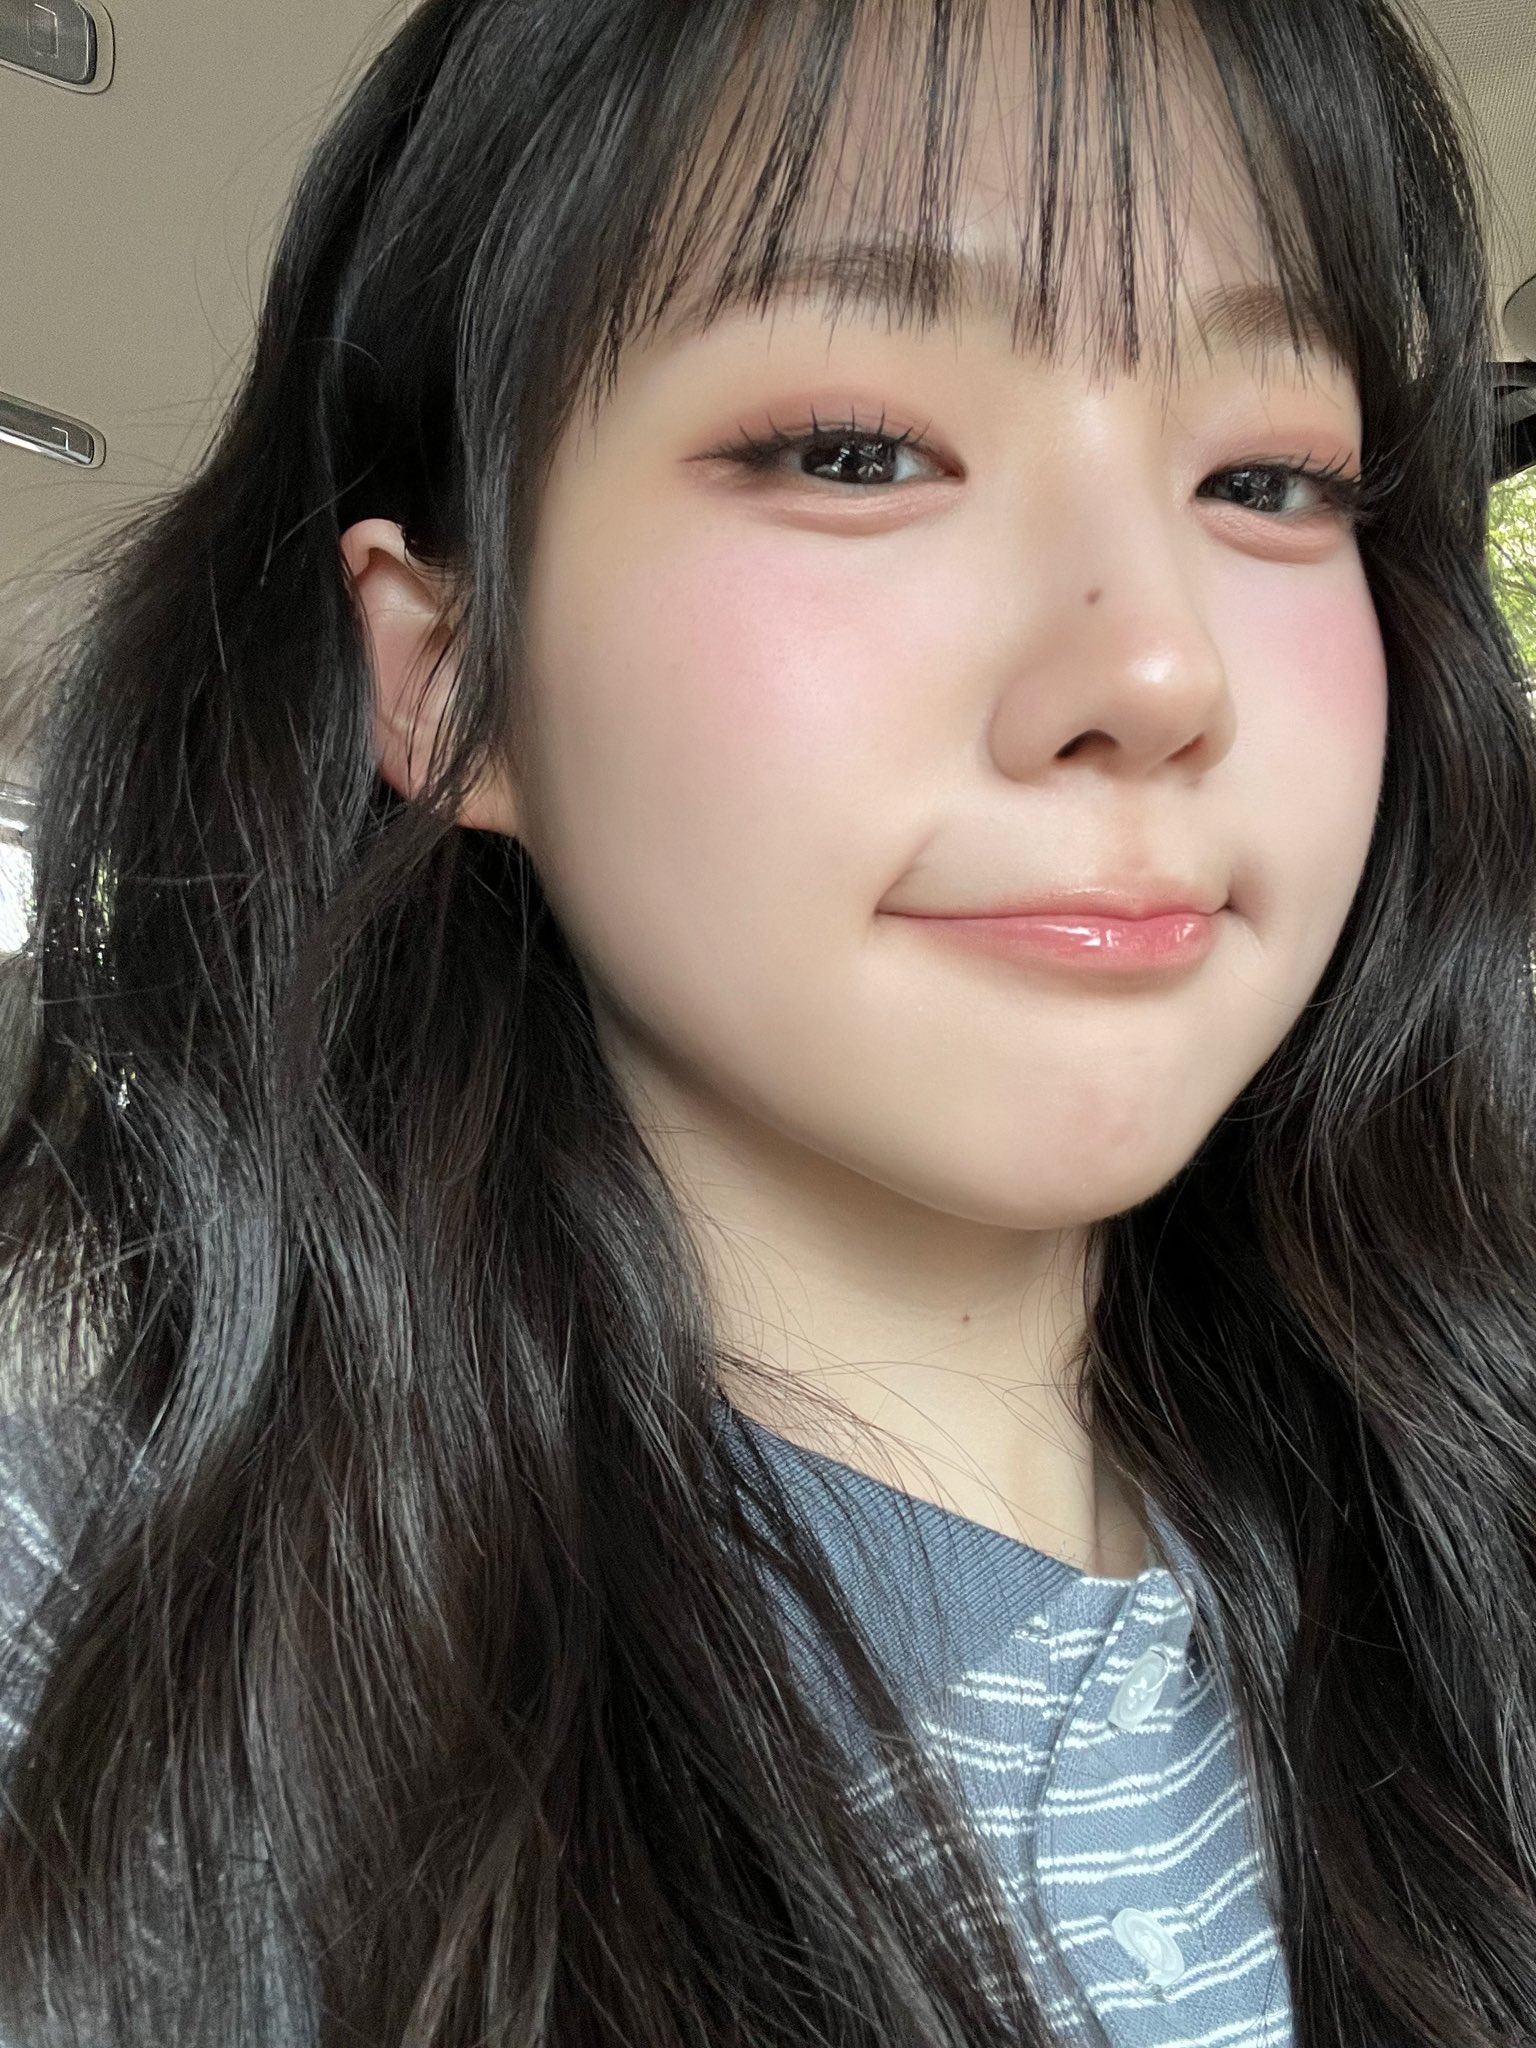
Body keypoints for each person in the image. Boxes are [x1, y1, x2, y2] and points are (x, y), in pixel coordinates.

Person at [0, 0, 1533, 2040]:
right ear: (447, 676)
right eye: (855, 451)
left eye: (1270, 477)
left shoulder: (1472, 1529)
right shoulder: (91, 1654)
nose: (1158, 670)